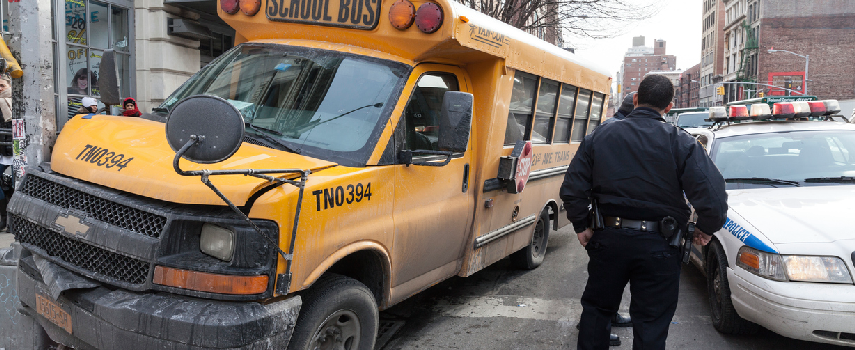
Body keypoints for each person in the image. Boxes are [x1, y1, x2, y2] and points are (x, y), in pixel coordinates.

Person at [561, 74, 727, 350]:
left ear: (636, 99)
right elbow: (713, 196)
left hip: (608, 240)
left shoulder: (601, 135)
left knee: (597, 312)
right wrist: (706, 228)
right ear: (669, 107)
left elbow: (572, 187)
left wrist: (581, 225)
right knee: (651, 323)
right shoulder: (682, 143)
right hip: (660, 246)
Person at [0, 73, 13, 231]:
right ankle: (4, 218)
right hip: (3, 150)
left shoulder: (9, 101)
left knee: (15, 186)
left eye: (2, 85)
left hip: (12, 150)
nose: (0, 88)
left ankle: (8, 220)